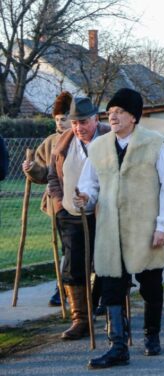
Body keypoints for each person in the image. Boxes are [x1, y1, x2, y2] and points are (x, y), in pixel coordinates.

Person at [74, 88, 164, 368]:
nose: (114, 116)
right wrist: (85, 197)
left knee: (151, 286)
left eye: (120, 112)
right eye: (111, 112)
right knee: (110, 286)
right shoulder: (98, 147)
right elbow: (90, 183)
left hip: (146, 226)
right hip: (110, 228)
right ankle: (118, 346)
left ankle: (151, 335)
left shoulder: (155, 144)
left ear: (134, 116)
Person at [48, 97, 110, 340]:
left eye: (83, 122)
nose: (78, 128)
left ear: (96, 119)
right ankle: (81, 319)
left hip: (103, 214)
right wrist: (59, 204)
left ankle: (106, 309)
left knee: (104, 264)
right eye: (74, 123)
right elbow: (53, 175)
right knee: (73, 266)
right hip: (70, 215)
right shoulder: (64, 143)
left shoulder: (109, 140)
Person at [22, 91, 72, 306]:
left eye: (64, 119)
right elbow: (43, 173)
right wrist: (32, 169)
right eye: (57, 120)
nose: (60, 124)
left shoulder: (84, 138)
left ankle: (82, 288)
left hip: (82, 201)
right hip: (58, 204)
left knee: (78, 248)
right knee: (67, 247)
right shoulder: (50, 142)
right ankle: (61, 288)